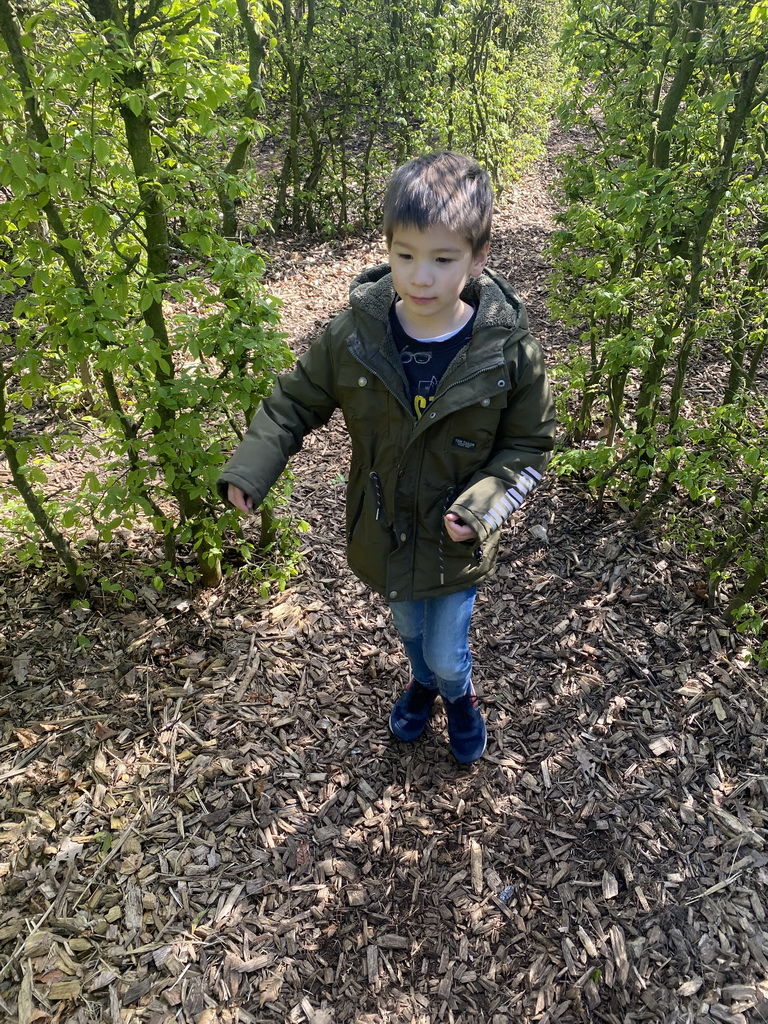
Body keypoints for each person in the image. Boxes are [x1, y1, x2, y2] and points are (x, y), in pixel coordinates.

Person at [217, 151, 556, 764]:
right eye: (405, 255)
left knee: (449, 650)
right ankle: (422, 685)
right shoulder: (356, 335)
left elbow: (529, 447)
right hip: (385, 533)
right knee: (410, 633)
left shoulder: (507, 350)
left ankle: (458, 697)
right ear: (388, 249)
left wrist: (483, 506)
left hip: (457, 543)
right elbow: (294, 401)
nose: (420, 277)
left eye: (443, 259)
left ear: (478, 259)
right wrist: (253, 466)